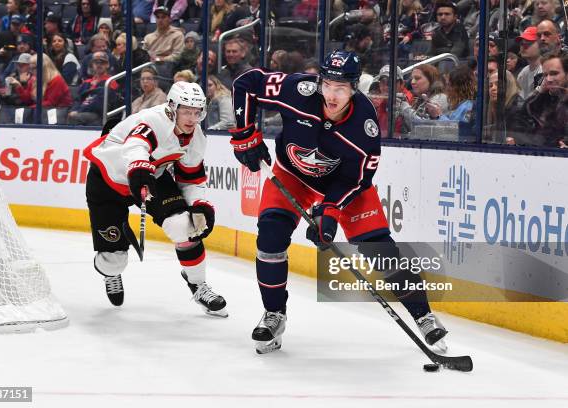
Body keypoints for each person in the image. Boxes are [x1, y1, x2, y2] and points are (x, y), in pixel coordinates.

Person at [228, 49, 448, 354]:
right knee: (270, 238)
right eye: (327, 84)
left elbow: (358, 179)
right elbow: (246, 83)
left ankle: (424, 316)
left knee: (380, 249)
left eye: (341, 88)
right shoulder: (298, 89)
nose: (331, 94)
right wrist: (243, 134)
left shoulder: (365, 124)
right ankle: (274, 314)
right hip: (293, 174)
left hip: (344, 187)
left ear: (354, 87)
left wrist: (329, 211)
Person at [82, 81, 228, 316]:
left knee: (184, 225)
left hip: (151, 176)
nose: (191, 118)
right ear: (171, 107)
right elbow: (136, 145)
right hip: (109, 179)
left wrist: (198, 205)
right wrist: (140, 169)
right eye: (185, 111)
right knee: (113, 260)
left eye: (196, 112)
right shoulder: (153, 120)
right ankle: (112, 273)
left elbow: (190, 179)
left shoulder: (196, 136)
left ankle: (198, 285)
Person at [519, 52, 568, 147]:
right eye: (545, 75)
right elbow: (522, 118)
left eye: (554, 74)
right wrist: (540, 92)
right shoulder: (546, 99)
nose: (548, 79)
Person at [67, 51, 117, 125]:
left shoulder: (110, 82)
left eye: (102, 62)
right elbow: (78, 100)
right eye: (96, 62)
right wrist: (73, 110)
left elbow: (99, 104)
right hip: (83, 111)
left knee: (74, 117)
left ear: (107, 65)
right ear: (92, 65)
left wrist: (78, 111)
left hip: (98, 114)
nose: (99, 65)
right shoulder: (86, 82)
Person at [516, 26, 542, 99]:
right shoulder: (523, 73)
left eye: (529, 43)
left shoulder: (544, 70)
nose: (523, 46)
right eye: (521, 44)